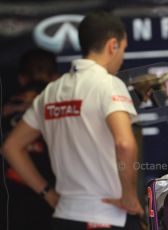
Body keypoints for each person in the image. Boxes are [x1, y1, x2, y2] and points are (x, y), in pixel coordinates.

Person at [2, 11, 144, 230]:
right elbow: (124, 143)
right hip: (107, 216)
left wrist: (48, 194)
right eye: (123, 49)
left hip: (64, 216)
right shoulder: (108, 84)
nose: (122, 57)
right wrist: (129, 197)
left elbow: (11, 147)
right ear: (113, 45)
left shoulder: (51, 92)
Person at [1, 48, 58, 230]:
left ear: (22, 78)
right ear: (56, 77)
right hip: (54, 197)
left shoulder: (5, 107)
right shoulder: (61, 105)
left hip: (10, 201)